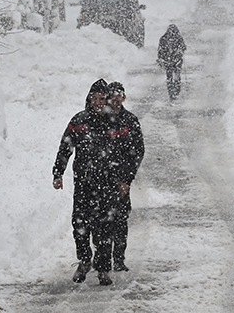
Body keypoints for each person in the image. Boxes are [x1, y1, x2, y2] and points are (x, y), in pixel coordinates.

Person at [52, 79, 140, 286]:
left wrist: (125, 179)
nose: (98, 102)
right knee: (80, 224)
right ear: (89, 99)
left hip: (108, 183)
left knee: (104, 227)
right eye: (95, 98)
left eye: (102, 98)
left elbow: (130, 153)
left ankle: (103, 268)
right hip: (84, 183)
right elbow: (65, 147)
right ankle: (84, 261)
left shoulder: (116, 124)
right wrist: (58, 172)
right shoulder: (79, 121)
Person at [105, 81, 144, 272]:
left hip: (121, 180)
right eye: (112, 94)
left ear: (124, 97)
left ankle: (119, 259)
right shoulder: (99, 119)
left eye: (119, 94)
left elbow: (138, 151)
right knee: (101, 221)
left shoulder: (130, 120)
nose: (115, 98)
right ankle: (102, 259)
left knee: (120, 220)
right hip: (101, 180)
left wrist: (126, 179)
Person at [157, 24, 187, 100]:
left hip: (168, 61)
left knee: (169, 77)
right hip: (177, 61)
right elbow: (183, 47)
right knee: (177, 75)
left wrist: (161, 59)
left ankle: (171, 92)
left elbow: (160, 50)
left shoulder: (163, 38)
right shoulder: (179, 38)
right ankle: (177, 90)